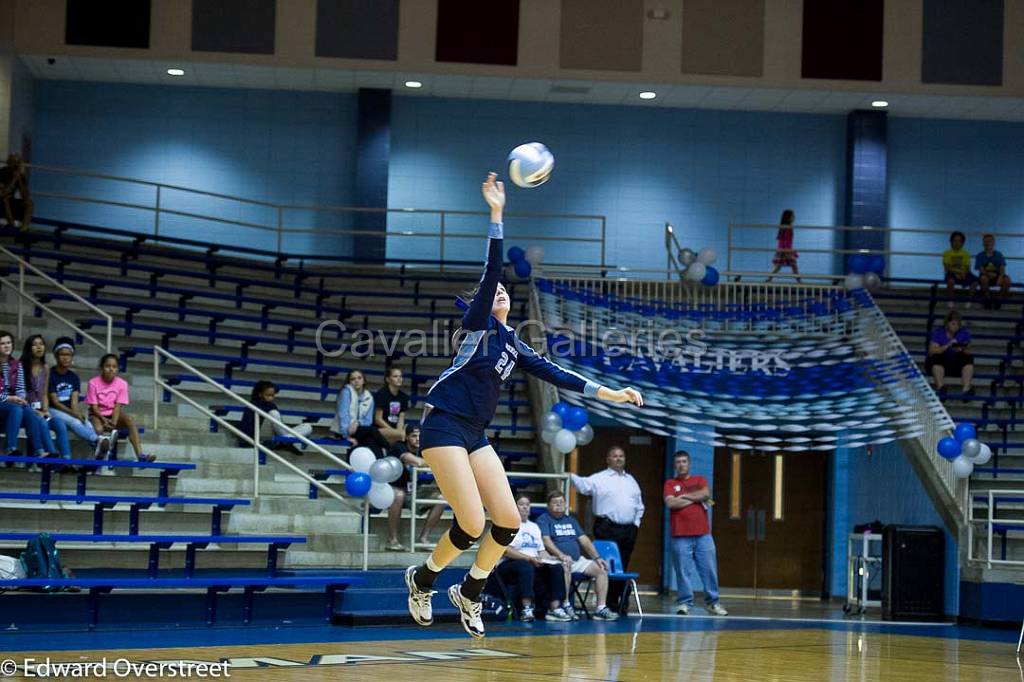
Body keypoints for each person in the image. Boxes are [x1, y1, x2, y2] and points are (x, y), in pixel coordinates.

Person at [404, 172, 642, 639]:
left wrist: (609, 393)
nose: (499, 291)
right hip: (443, 426)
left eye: (503, 291)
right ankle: (423, 579)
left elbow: (559, 374)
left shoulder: (515, 343)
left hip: (474, 433)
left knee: (509, 521)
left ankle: (470, 591)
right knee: (471, 523)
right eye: (491, 290)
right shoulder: (476, 327)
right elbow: (492, 271)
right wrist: (496, 215)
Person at [570, 445, 643, 614]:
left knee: (622, 566)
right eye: (615, 456)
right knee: (608, 566)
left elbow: (640, 506)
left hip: (629, 530)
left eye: (621, 455)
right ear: (608, 459)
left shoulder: (631, 480)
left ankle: (619, 601)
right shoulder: (599, 478)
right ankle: (608, 603)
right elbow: (583, 486)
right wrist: (570, 476)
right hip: (607, 527)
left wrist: (636, 524)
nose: (618, 458)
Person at [536, 490, 619, 621]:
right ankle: (565, 605)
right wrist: (561, 555)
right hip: (556, 560)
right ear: (548, 506)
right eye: (556, 503)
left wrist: (597, 558)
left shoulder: (571, 520)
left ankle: (600, 608)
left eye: (562, 502)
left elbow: (584, 540)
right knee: (565, 566)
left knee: (601, 569)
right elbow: (546, 541)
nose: (559, 505)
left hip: (577, 560)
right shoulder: (543, 519)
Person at [664, 451, 727, 616]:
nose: (681, 465)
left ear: (689, 463)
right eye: (678, 462)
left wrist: (684, 497)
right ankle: (684, 603)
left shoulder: (699, 480)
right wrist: (694, 498)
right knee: (683, 571)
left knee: (709, 569)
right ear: (675, 465)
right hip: (680, 536)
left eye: (684, 461)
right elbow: (671, 502)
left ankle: (713, 603)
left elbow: (706, 494)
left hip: (703, 535)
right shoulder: (670, 483)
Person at [495, 494, 573, 622]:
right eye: (521, 504)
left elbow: (541, 550)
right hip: (509, 564)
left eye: (527, 505)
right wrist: (529, 559)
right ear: (513, 507)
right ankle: (527, 608)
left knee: (557, 567)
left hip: (533, 562)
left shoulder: (534, 527)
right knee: (525, 566)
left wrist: (550, 560)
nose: (525, 507)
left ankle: (554, 608)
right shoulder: (508, 525)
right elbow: (506, 550)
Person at [386, 425, 445, 550]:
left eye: (420, 436)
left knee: (441, 498)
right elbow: (416, 462)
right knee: (399, 495)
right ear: (406, 437)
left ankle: (423, 538)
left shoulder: (424, 450)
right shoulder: (398, 446)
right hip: (394, 489)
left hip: (415, 491)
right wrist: (435, 461)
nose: (418, 439)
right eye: (414, 436)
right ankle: (392, 540)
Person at [86, 354, 153, 462]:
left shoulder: (122, 384)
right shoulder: (93, 383)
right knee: (98, 429)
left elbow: (118, 406)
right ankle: (100, 452)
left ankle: (140, 455)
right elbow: (94, 407)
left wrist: (113, 422)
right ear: (102, 367)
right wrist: (104, 420)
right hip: (97, 414)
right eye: (108, 366)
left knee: (130, 420)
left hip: (113, 414)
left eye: (114, 366)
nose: (111, 369)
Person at [20, 335, 71, 459]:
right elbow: (20, 396)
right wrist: (37, 412)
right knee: (42, 423)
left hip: (41, 409)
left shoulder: (46, 368)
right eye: (35, 344)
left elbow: (44, 392)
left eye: (41, 344)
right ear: (29, 348)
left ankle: (67, 459)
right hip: (26, 410)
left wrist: (46, 410)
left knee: (59, 423)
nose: (39, 347)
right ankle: (52, 457)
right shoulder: (21, 367)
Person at [48, 338, 100, 452]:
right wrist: (74, 414)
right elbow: (55, 402)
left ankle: (97, 447)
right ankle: (97, 440)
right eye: (62, 354)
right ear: (56, 356)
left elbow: (74, 402)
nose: (66, 357)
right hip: (52, 409)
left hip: (68, 410)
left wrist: (78, 413)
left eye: (69, 355)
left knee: (87, 423)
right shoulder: (50, 374)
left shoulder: (74, 377)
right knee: (75, 421)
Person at [237, 380, 312, 450]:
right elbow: (246, 426)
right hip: (260, 436)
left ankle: (286, 440)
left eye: (273, 395)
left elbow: (279, 426)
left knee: (307, 426)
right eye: (268, 395)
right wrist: (248, 441)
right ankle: (287, 440)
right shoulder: (252, 406)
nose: (271, 398)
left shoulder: (272, 405)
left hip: (276, 435)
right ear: (260, 394)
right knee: (274, 413)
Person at [332, 369, 389, 457]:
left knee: (372, 442)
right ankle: (389, 448)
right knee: (372, 431)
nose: (356, 381)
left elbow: (368, 420)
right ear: (349, 382)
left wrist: (358, 423)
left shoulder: (368, 396)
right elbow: (343, 415)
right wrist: (346, 435)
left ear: (364, 381)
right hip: (344, 430)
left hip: (361, 430)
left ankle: (381, 461)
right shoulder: (346, 393)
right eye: (353, 379)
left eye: (359, 378)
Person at [926, 309, 974, 401]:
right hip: (940, 363)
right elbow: (932, 350)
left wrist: (962, 349)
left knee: (968, 358)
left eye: (958, 324)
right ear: (947, 324)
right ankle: (941, 388)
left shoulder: (963, 333)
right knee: (936, 357)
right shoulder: (938, 333)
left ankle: (966, 389)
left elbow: (969, 350)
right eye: (953, 324)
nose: (956, 326)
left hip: (955, 364)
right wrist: (947, 346)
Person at [0, 330, 27, 458]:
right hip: (3, 402)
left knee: (31, 413)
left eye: (9, 343)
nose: (7, 346)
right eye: (2, 343)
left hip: (11, 403)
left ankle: (41, 453)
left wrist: (20, 398)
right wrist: (10, 398)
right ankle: (11, 447)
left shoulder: (17, 365)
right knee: (16, 409)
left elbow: (21, 388)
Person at [374, 367, 409, 444]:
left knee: (408, 433)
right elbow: (378, 419)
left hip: (396, 430)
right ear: (388, 379)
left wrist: (398, 431)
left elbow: (401, 419)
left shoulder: (404, 397)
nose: (399, 379)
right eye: (395, 376)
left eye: (400, 376)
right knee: (405, 436)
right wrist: (394, 432)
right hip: (381, 429)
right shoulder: (381, 394)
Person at [975, 233, 1012, 309]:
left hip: (997, 276)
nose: (987, 243)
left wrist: (1000, 277)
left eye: (989, 241)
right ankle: (987, 299)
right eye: (985, 241)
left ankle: (999, 300)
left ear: (993, 243)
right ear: (983, 243)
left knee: (1007, 280)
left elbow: (1002, 268)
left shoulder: (998, 254)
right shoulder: (980, 255)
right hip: (985, 276)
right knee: (983, 278)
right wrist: (989, 274)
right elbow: (980, 269)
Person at [0, 154, 33, 231]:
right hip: (1, 201)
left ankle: (23, 229)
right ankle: (12, 227)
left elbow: (25, 197)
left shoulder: (20, 177)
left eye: (17, 163)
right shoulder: (2, 172)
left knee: (29, 203)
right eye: (14, 162)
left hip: (10, 202)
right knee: (5, 200)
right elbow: (3, 193)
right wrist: (14, 179)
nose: (15, 165)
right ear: (8, 163)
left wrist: (19, 180)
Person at [943, 231, 977, 304]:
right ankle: (950, 300)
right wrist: (957, 273)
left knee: (975, 282)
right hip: (951, 273)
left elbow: (967, 267)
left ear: (962, 243)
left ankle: (969, 300)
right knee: (951, 281)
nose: (957, 243)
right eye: (955, 240)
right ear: (951, 242)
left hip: (963, 273)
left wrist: (963, 273)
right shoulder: (947, 253)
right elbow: (947, 268)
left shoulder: (965, 253)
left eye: (959, 241)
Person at [767, 209, 799, 283]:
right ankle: (799, 281)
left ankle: (769, 279)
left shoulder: (784, 226)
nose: (794, 217)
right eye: (793, 216)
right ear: (789, 217)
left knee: (779, 266)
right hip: (785, 249)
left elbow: (783, 240)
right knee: (793, 265)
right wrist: (787, 251)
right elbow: (785, 240)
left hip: (783, 248)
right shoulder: (787, 227)